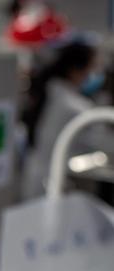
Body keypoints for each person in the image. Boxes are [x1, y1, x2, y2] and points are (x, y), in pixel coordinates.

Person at [22, 40, 107, 198]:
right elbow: (102, 141)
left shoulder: (51, 90)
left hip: (35, 174)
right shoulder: (74, 106)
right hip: (49, 180)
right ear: (75, 70)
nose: (94, 75)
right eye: (92, 68)